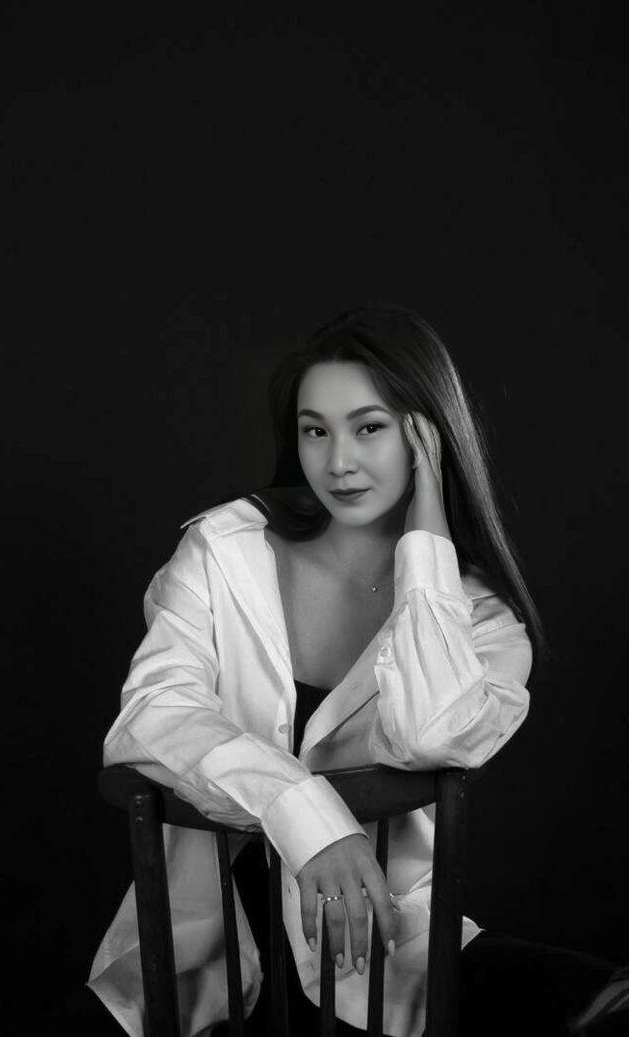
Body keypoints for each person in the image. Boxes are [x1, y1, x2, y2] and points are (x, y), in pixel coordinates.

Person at [78, 306, 626, 1036]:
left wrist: (425, 547)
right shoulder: (223, 550)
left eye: (369, 427)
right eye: (316, 430)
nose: (337, 461)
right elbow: (153, 713)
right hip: (213, 961)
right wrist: (305, 815)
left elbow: (430, 735)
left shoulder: (481, 621)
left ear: (428, 436)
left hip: (385, 956)